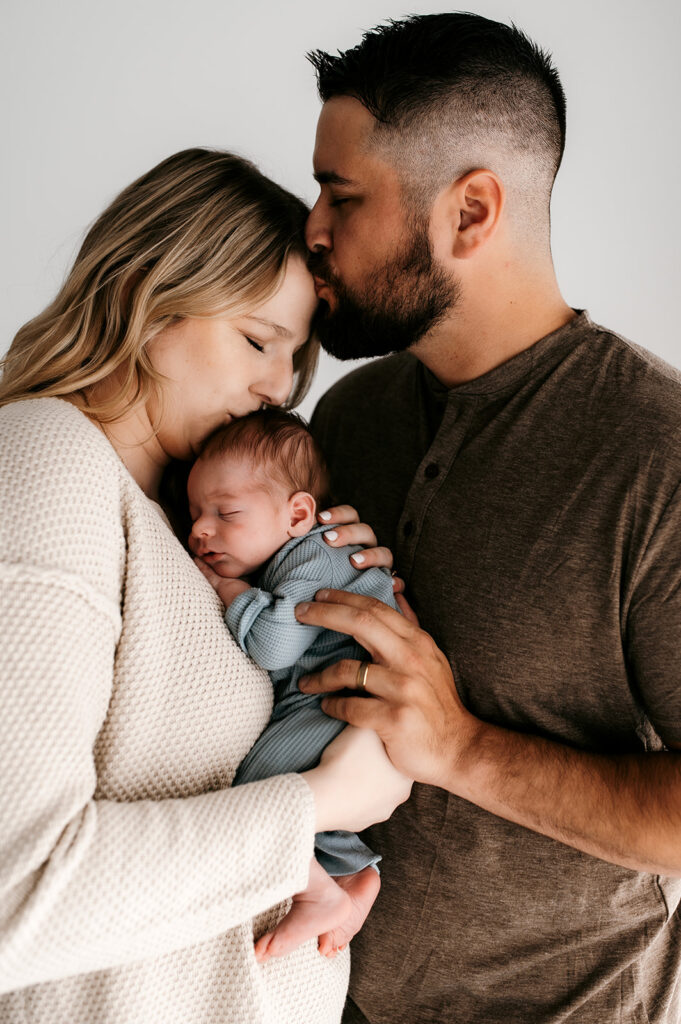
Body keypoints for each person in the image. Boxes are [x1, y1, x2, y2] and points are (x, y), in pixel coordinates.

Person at [291, 13, 681, 1024]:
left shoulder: (658, 453)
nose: (313, 230)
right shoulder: (350, 417)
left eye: (344, 196)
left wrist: (461, 746)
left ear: (471, 212)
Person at [0, 147, 412, 1024]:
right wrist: (318, 802)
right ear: (148, 294)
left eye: (293, 361)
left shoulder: (176, 524)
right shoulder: (47, 462)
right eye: (257, 341)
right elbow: (15, 891)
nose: (275, 389)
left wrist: (325, 572)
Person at [187, 408, 401, 964]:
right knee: (286, 785)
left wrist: (229, 589)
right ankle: (352, 877)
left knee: (261, 788)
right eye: (194, 513)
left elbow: (275, 646)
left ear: (298, 513)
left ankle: (319, 893)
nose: (199, 529)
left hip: (348, 699)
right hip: (337, 699)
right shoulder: (296, 551)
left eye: (224, 512)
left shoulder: (314, 554)